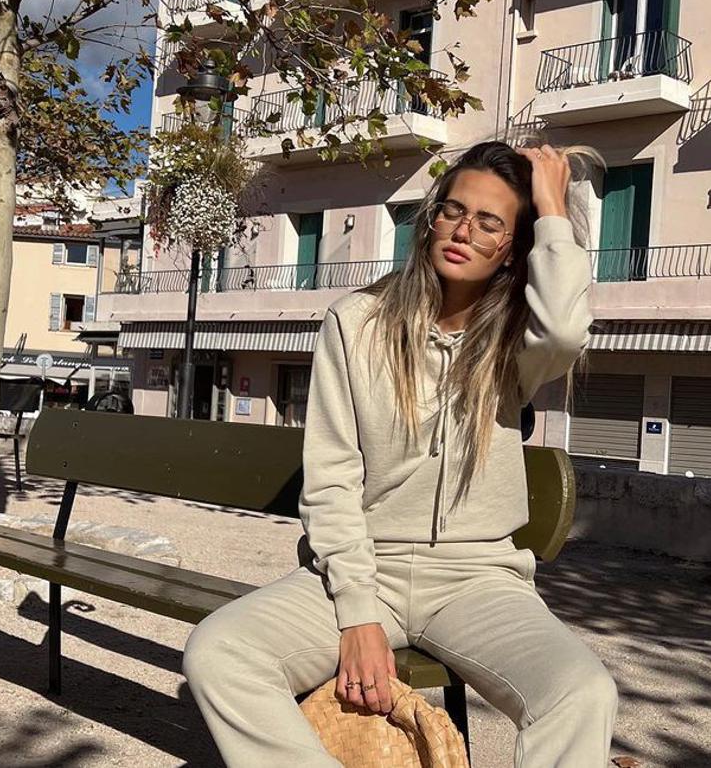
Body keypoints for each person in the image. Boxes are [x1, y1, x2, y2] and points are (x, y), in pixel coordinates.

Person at [184, 141, 618, 766]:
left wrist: (552, 209)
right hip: (367, 568)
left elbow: (564, 329)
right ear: (432, 219)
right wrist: (357, 614)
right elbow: (332, 477)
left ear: (512, 250)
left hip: (478, 580)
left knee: (581, 692)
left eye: (489, 223)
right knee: (220, 651)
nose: (463, 231)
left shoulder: (515, 347)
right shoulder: (356, 323)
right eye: (453, 211)